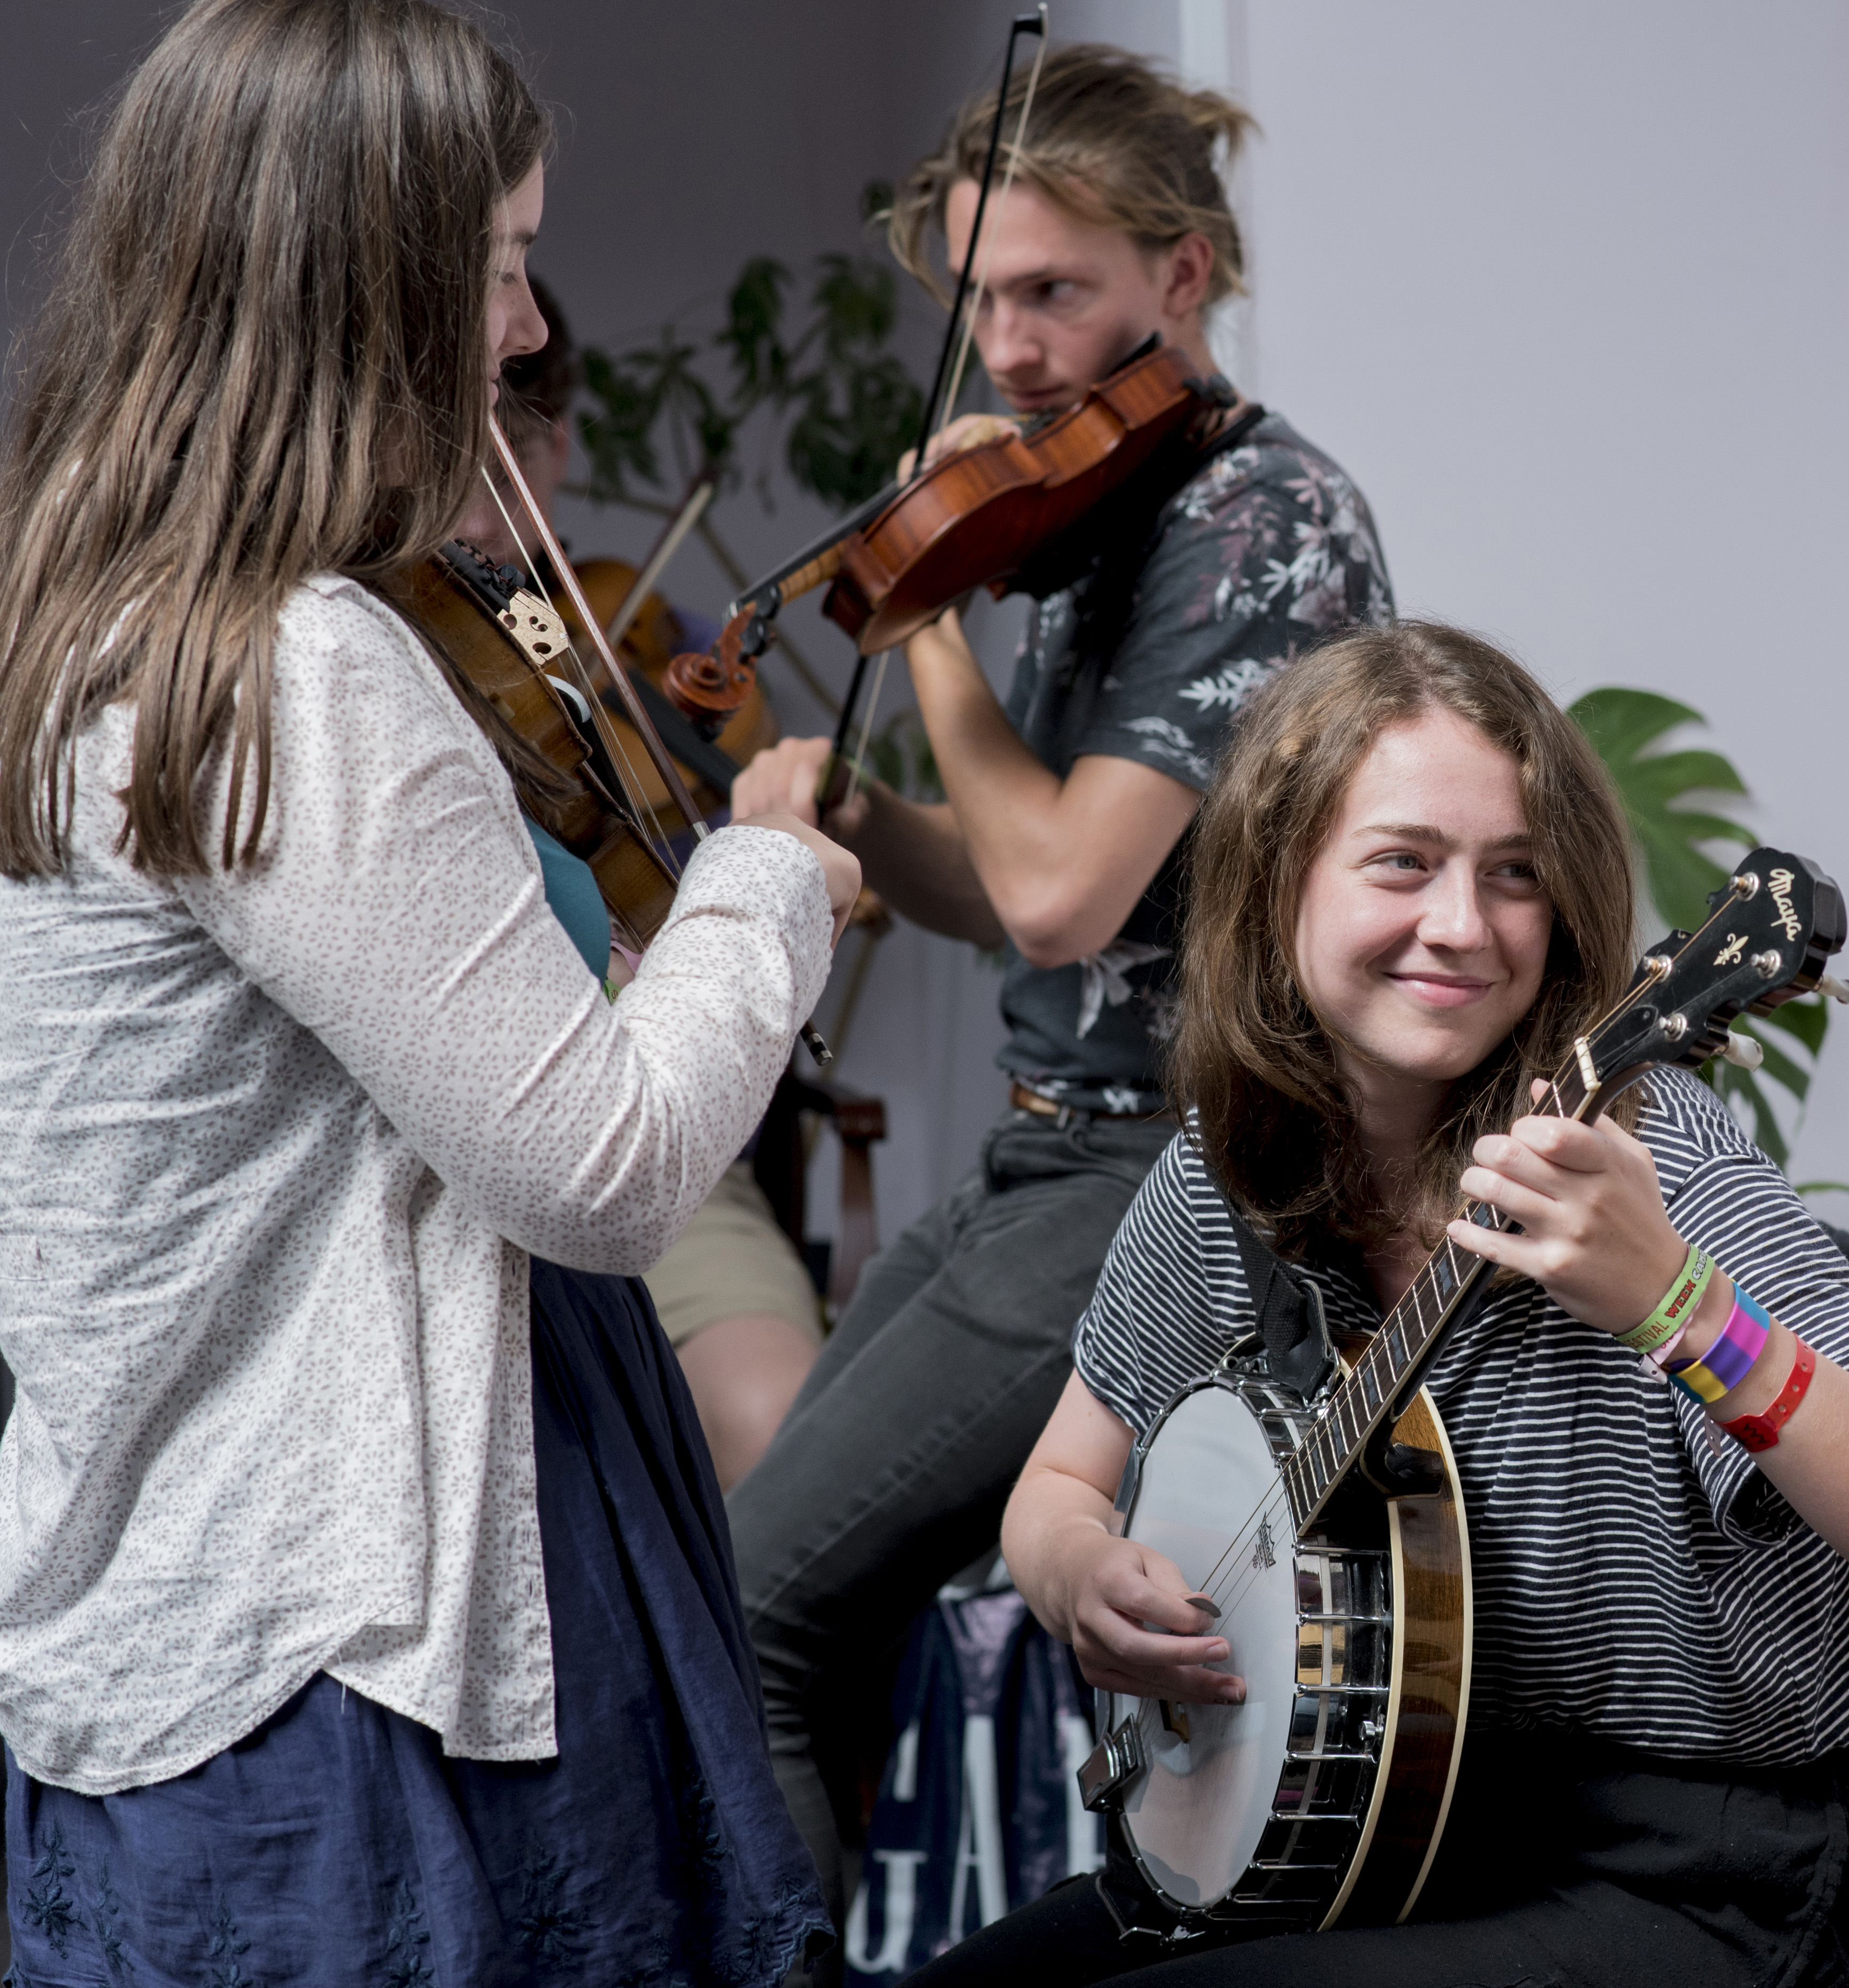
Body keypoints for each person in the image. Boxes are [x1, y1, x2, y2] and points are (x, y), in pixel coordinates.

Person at [0, 2, 863, 1978]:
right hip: (348, 1648)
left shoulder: (92, 617)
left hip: (180, 1600)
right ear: (365, 282)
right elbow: (601, 1166)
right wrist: (759, 878)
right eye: (490, 264)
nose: (529, 330)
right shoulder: (295, 669)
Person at [900, 620, 1849, 1985]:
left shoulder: (1643, 1159)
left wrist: (1674, 1302)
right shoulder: (1230, 1168)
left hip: (1697, 1871)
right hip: (1386, 1828)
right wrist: (1077, 1575)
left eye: (1514, 876)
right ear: (1278, 880)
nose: (1461, 926)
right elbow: (1062, 1476)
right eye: (1401, 862)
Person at [721, 43, 1390, 1930]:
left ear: (1180, 277)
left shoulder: (1259, 521)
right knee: (785, 1594)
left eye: (1052, 294)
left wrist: (921, 632)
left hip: (1170, 1177)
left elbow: (1056, 895)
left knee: (753, 1606)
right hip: (1049, 1154)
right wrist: (854, 822)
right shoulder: (1099, 519)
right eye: (982, 298)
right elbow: (1002, 879)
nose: (1006, 349)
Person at [460, 272, 830, 1489]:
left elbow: (703, 795)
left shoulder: (597, 622)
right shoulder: (359, 642)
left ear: (554, 451)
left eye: (515, 456)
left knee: (780, 1426)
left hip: (640, 1102)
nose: (483, 526)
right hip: (450, 1167)